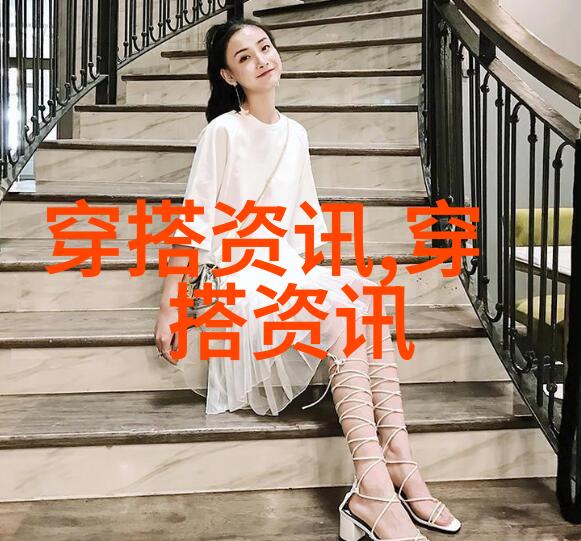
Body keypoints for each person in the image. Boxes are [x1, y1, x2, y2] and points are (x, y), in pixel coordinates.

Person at [154, 17, 461, 541]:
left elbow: (305, 228)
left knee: (368, 298)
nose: (261, 60)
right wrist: (169, 306)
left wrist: (331, 281)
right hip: (237, 282)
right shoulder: (222, 132)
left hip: (284, 272)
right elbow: (193, 221)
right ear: (229, 76)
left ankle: (396, 465)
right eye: (245, 57)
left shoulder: (296, 134)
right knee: (345, 307)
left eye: (265, 47)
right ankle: (374, 487)